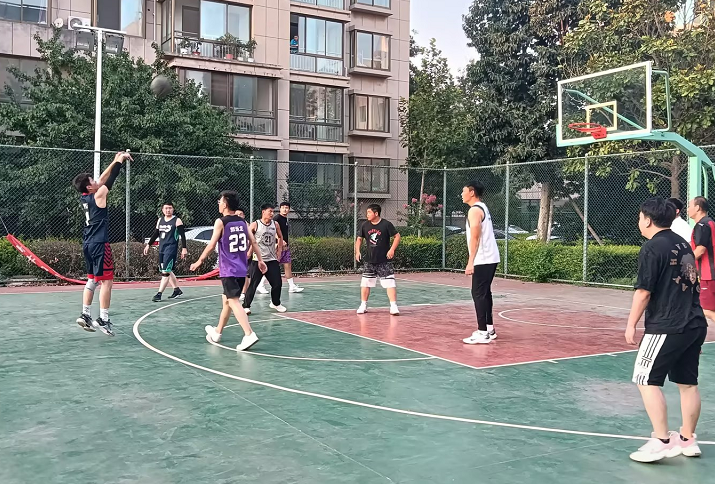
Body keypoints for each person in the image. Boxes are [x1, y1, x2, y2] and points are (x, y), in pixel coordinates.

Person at [626, 197, 707, 463]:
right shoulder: (682, 242)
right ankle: (687, 439)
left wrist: (631, 324)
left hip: (667, 325)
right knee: (688, 383)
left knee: (645, 380)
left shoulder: (652, 247)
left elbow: (643, 291)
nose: (639, 221)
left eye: (640, 217)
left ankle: (662, 441)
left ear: (648, 220)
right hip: (694, 323)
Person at [189, 191, 265, 351]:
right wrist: (260, 260)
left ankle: (249, 334)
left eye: (220, 201)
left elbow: (211, 245)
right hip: (241, 268)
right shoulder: (243, 222)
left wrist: (199, 261)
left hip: (229, 269)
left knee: (233, 301)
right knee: (227, 301)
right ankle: (217, 332)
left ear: (225, 204)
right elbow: (254, 242)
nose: (218, 203)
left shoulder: (221, 222)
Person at [72, 151, 132, 336]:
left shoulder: (85, 196)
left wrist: (113, 160)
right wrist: (119, 162)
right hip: (100, 244)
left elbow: (101, 180)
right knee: (107, 282)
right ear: (89, 187)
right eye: (92, 180)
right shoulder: (99, 195)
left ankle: (85, 314)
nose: (96, 181)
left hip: (88, 243)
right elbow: (110, 180)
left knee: (92, 280)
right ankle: (103, 319)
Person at [461, 180, 500, 345]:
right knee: (485, 293)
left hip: (483, 259)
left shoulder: (474, 211)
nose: (461, 194)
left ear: (471, 192)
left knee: (478, 293)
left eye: (463, 191)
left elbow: (475, 238)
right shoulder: (482, 207)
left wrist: (471, 261)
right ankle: (489, 329)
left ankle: (482, 332)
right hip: (490, 257)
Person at [354, 204, 401, 315]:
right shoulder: (364, 225)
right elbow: (359, 239)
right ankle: (363, 305)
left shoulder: (386, 224)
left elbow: (397, 236)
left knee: (390, 283)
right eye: (367, 212)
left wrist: (392, 250)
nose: (367, 214)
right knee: (365, 283)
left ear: (376, 213)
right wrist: (357, 251)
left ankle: (393, 306)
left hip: (384, 260)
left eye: (369, 212)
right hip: (369, 260)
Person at [243, 203, 286, 314]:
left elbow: (280, 236)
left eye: (273, 212)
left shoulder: (275, 224)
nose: (272, 214)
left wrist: (279, 250)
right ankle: (246, 306)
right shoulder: (255, 224)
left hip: (271, 259)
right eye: (270, 211)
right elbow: (249, 238)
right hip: (258, 260)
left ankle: (275, 303)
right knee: (253, 284)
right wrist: (249, 251)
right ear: (263, 212)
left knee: (277, 283)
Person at [256, 201, 304, 294]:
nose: (285, 209)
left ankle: (292, 286)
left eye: (287, 208)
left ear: (289, 209)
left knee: (287, 265)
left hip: (285, 248)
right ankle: (260, 285)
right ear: (280, 209)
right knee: (270, 267)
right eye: (283, 208)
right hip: (276, 247)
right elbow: (271, 230)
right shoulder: (276, 218)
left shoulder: (285, 219)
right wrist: (279, 242)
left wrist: (285, 243)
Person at [143, 202, 187, 302]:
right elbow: (156, 234)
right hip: (162, 248)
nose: (168, 210)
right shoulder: (160, 220)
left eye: (170, 208)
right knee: (167, 269)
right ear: (162, 210)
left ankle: (159, 294)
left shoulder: (177, 221)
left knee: (165, 272)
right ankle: (177, 290)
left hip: (171, 249)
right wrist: (148, 245)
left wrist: (184, 248)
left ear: (173, 209)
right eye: (166, 208)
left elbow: (182, 236)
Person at [688, 196, 715, 322]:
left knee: (704, 309)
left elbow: (700, 250)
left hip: (709, 275)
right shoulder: (711, 223)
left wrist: (684, 263)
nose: (687, 209)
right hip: (710, 274)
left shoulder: (702, 225)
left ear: (698, 208)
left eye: (690, 206)